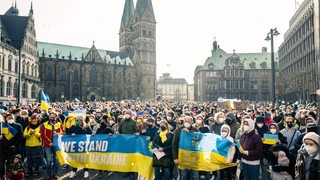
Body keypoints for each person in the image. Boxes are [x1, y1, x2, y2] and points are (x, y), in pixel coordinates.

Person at [172, 116, 199, 180]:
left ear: (192, 122)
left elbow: (199, 140)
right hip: (182, 157)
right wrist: (175, 157)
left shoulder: (196, 130)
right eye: (185, 121)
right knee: (184, 175)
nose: (187, 123)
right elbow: (174, 144)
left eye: (188, 122)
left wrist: (190, 133)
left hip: (193, 157)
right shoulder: (178, 131)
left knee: (195, 175)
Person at [40, 111, 65, 180]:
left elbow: (63, 132)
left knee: (56, 160)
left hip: (57, 145)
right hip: (48, 145)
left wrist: (58, 133)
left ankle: (55, 174)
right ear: (49, 117)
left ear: (56, 117)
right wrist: (49, 143)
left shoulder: (59, 124)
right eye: (51, 117)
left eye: (53, 117)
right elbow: (42, 135)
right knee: (49, 160)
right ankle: (48, 174)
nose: (52, 118)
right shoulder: (44, 124)